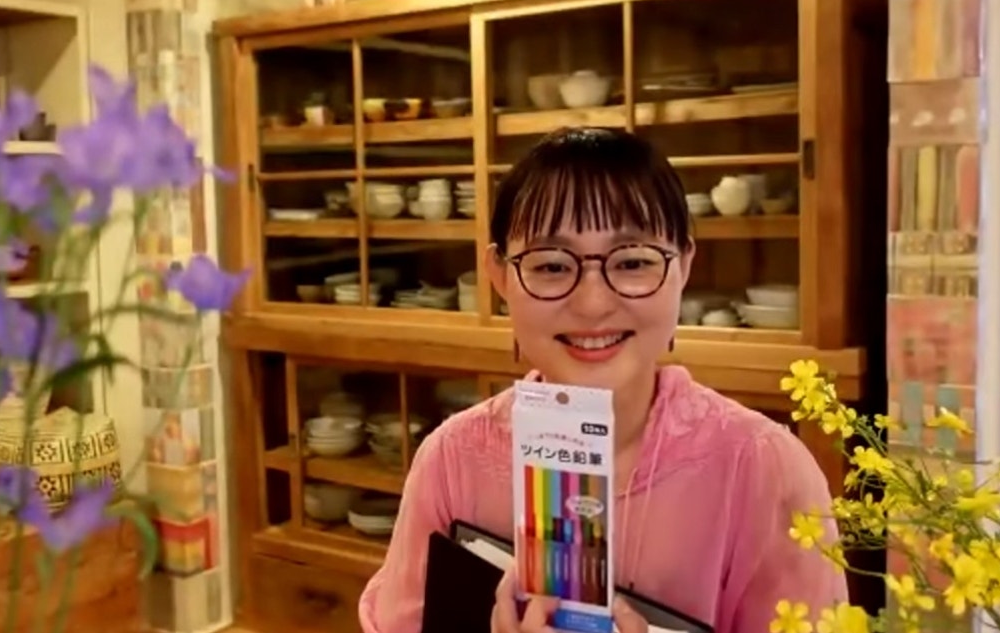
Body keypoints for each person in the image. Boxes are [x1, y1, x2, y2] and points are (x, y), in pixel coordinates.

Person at [358, 128, 845, 633]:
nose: (592, 304)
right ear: (499, 276)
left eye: (632, 262)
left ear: (683, 267)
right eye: (551, 265)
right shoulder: (452, 461)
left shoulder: (764, 471)